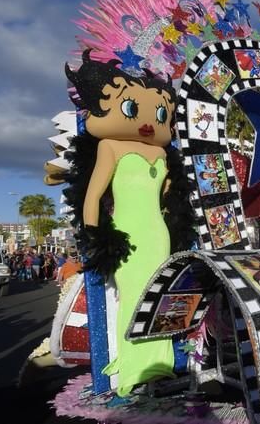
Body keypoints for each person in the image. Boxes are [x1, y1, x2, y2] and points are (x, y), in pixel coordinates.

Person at [63, 50, 195, 396]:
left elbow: (171, 199)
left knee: (160, 298)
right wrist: (95, 239)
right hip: (127, 236)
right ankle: (134, 369)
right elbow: (92, 197)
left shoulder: (163, 154)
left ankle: (160, 366)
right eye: (133, 108)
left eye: (161, 112)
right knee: (134, 298)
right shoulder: (110, 146)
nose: (150, 121)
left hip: (159, 236)